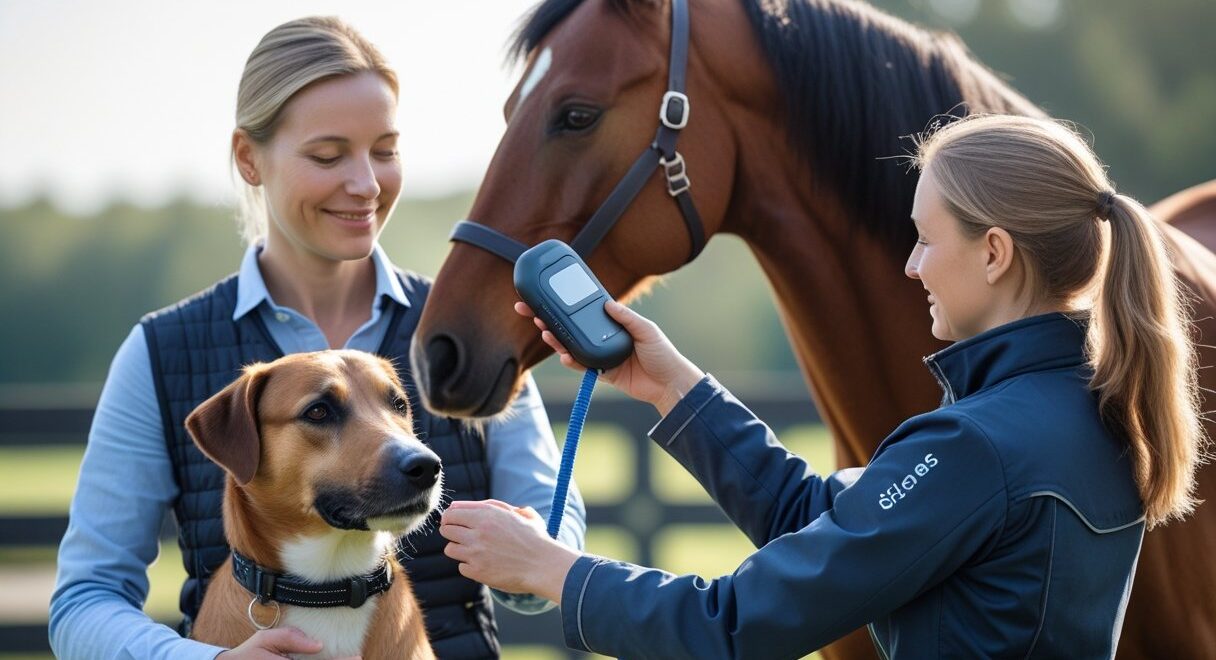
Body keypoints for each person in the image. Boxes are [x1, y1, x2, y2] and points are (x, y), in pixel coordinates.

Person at [438, 114, 1205, 658]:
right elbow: (831, 530)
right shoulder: (1091, 408)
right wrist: (675, 387)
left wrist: (553, 570)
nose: (912, 265)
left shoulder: (977, 445)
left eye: (927, 239)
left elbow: (734, 625)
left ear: (996, 252)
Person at [49, 16, 585, 660]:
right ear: (249, 157)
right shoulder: (159, 352)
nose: (365, 184)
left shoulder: (472, 325)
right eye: (328, 156)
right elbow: (84, 601)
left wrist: (538, 561)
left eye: (384, 150)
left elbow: (553, 553)